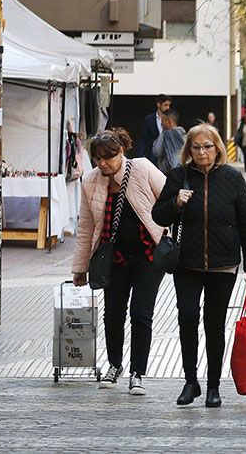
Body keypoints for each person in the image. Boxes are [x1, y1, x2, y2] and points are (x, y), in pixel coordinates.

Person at [152, 124, 246, 409]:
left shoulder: (233, 178)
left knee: (215, 325)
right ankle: (191, 381)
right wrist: (175, 202)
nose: (202, 152)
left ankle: (213, 386)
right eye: (196, 147)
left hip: (223, 265)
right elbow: (158, 215)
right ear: (189, 150)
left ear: (218, 149)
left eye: (207, 146)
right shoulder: (178, 176)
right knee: (187, 318)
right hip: (187, 263)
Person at [72, 128, 167, 396]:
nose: (103, 164)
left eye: (109, 157)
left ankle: (138, 373)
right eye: (98, 159)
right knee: (113, 314)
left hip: (149, 255)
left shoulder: (141, 168)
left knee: (141, 314)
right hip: (113, 257)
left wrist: (168, 232)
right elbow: (86, 226)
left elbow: (169, 197)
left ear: (121, 152)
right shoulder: (90, 181)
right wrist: (80, 268)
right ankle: (114, 365)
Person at [138, 94, 172, 165]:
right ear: (159, 104)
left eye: (169, 105)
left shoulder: (171, 119)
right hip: (152, 156)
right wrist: (140, 155)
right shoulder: (149, 119)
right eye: (165, 105)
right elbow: (143, 137)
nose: (168, 108)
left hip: (167, 157)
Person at [152, 109, 186, 174]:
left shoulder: (167, 134)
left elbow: (157, 152)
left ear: (170, 122)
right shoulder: (183, 133)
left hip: (170, 173)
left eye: (162, 121)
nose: (161, 124)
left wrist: (162, 134)